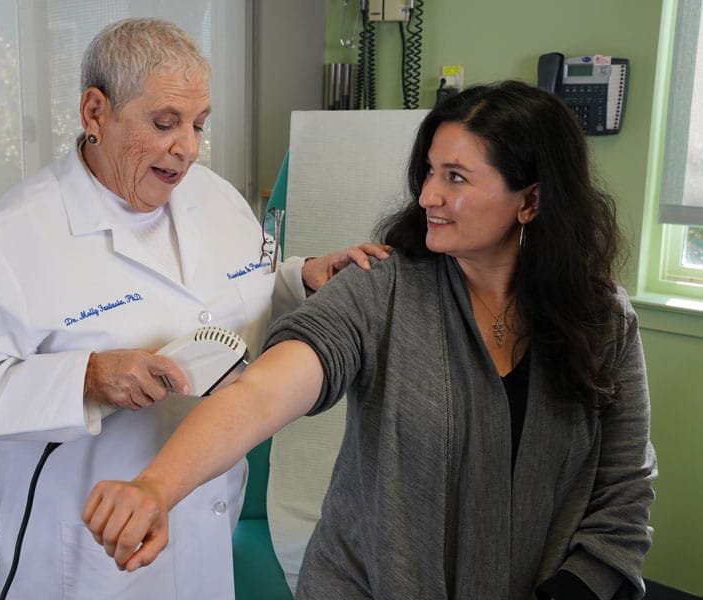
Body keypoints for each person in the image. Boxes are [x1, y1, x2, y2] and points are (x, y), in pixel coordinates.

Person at [82, 80, 658, 600]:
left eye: (455, 177)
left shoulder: (602, 320)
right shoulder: (381, 289)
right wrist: (157, 487)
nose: (428, 195)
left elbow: (623, 492)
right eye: (429, 171)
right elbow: (261, 394)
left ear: (529, 201)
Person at [0, 17, 389, 600]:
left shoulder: (214, 198)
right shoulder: (18, 237)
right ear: (95, 113)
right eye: (165, 123)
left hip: (204, 519)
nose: (186, 148)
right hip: (87, 550)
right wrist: (88, 377)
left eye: (198, 124)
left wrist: (303, 280)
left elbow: (236, 298)